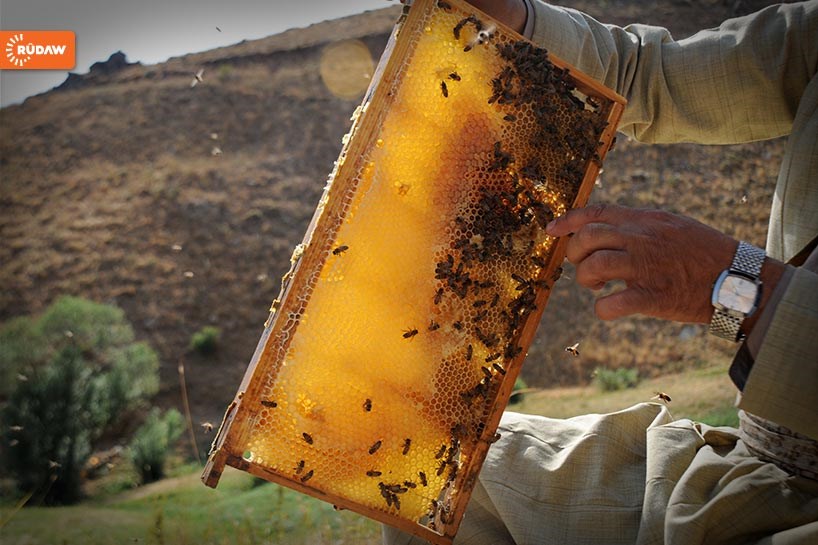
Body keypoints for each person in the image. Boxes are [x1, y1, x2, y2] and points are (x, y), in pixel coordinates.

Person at [384, 1, 818, 543]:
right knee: (435, 465)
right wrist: (509, 21)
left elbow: (749, 302)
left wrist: (741, 286)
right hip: (753, 467)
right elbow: (648, 74)